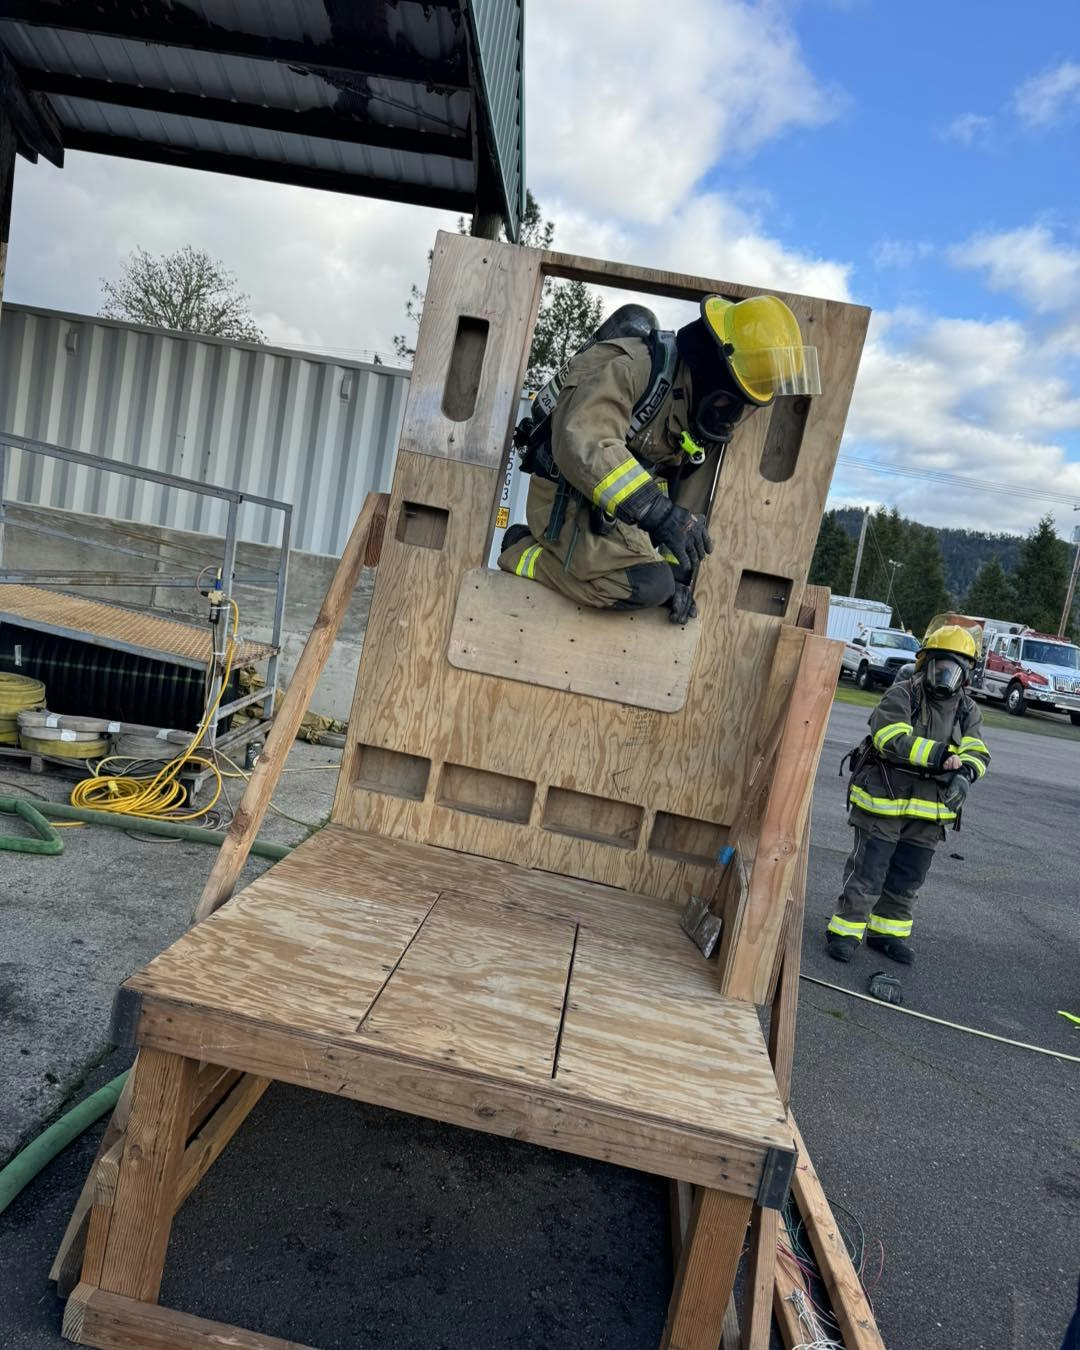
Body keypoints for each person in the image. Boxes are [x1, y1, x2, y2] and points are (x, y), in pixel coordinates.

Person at [499, 295, 820, 623]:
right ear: (718, 370)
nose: (737, 412)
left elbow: (681, 496)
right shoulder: (634, 367)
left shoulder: (702, 410)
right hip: (564, 499)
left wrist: (678, 574)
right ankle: (522, 550)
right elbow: (585, 443)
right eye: (738, 397)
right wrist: (659, 514)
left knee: (661, 583)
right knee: (648, 585)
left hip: (619, 513)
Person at [827, 624, 991, 965]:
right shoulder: (902, 695)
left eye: (955, 668)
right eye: (941, 666)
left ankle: (887, 933)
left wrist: (966, 774)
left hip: (930, 810)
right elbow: (890, 737)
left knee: (907, 876)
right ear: (925, 664)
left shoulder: (967, 710)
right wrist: (940, 756)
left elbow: (977, 748)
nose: (946, 675)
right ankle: (844, 931)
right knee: (869, 871)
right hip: (885, 800)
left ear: (966, 674)